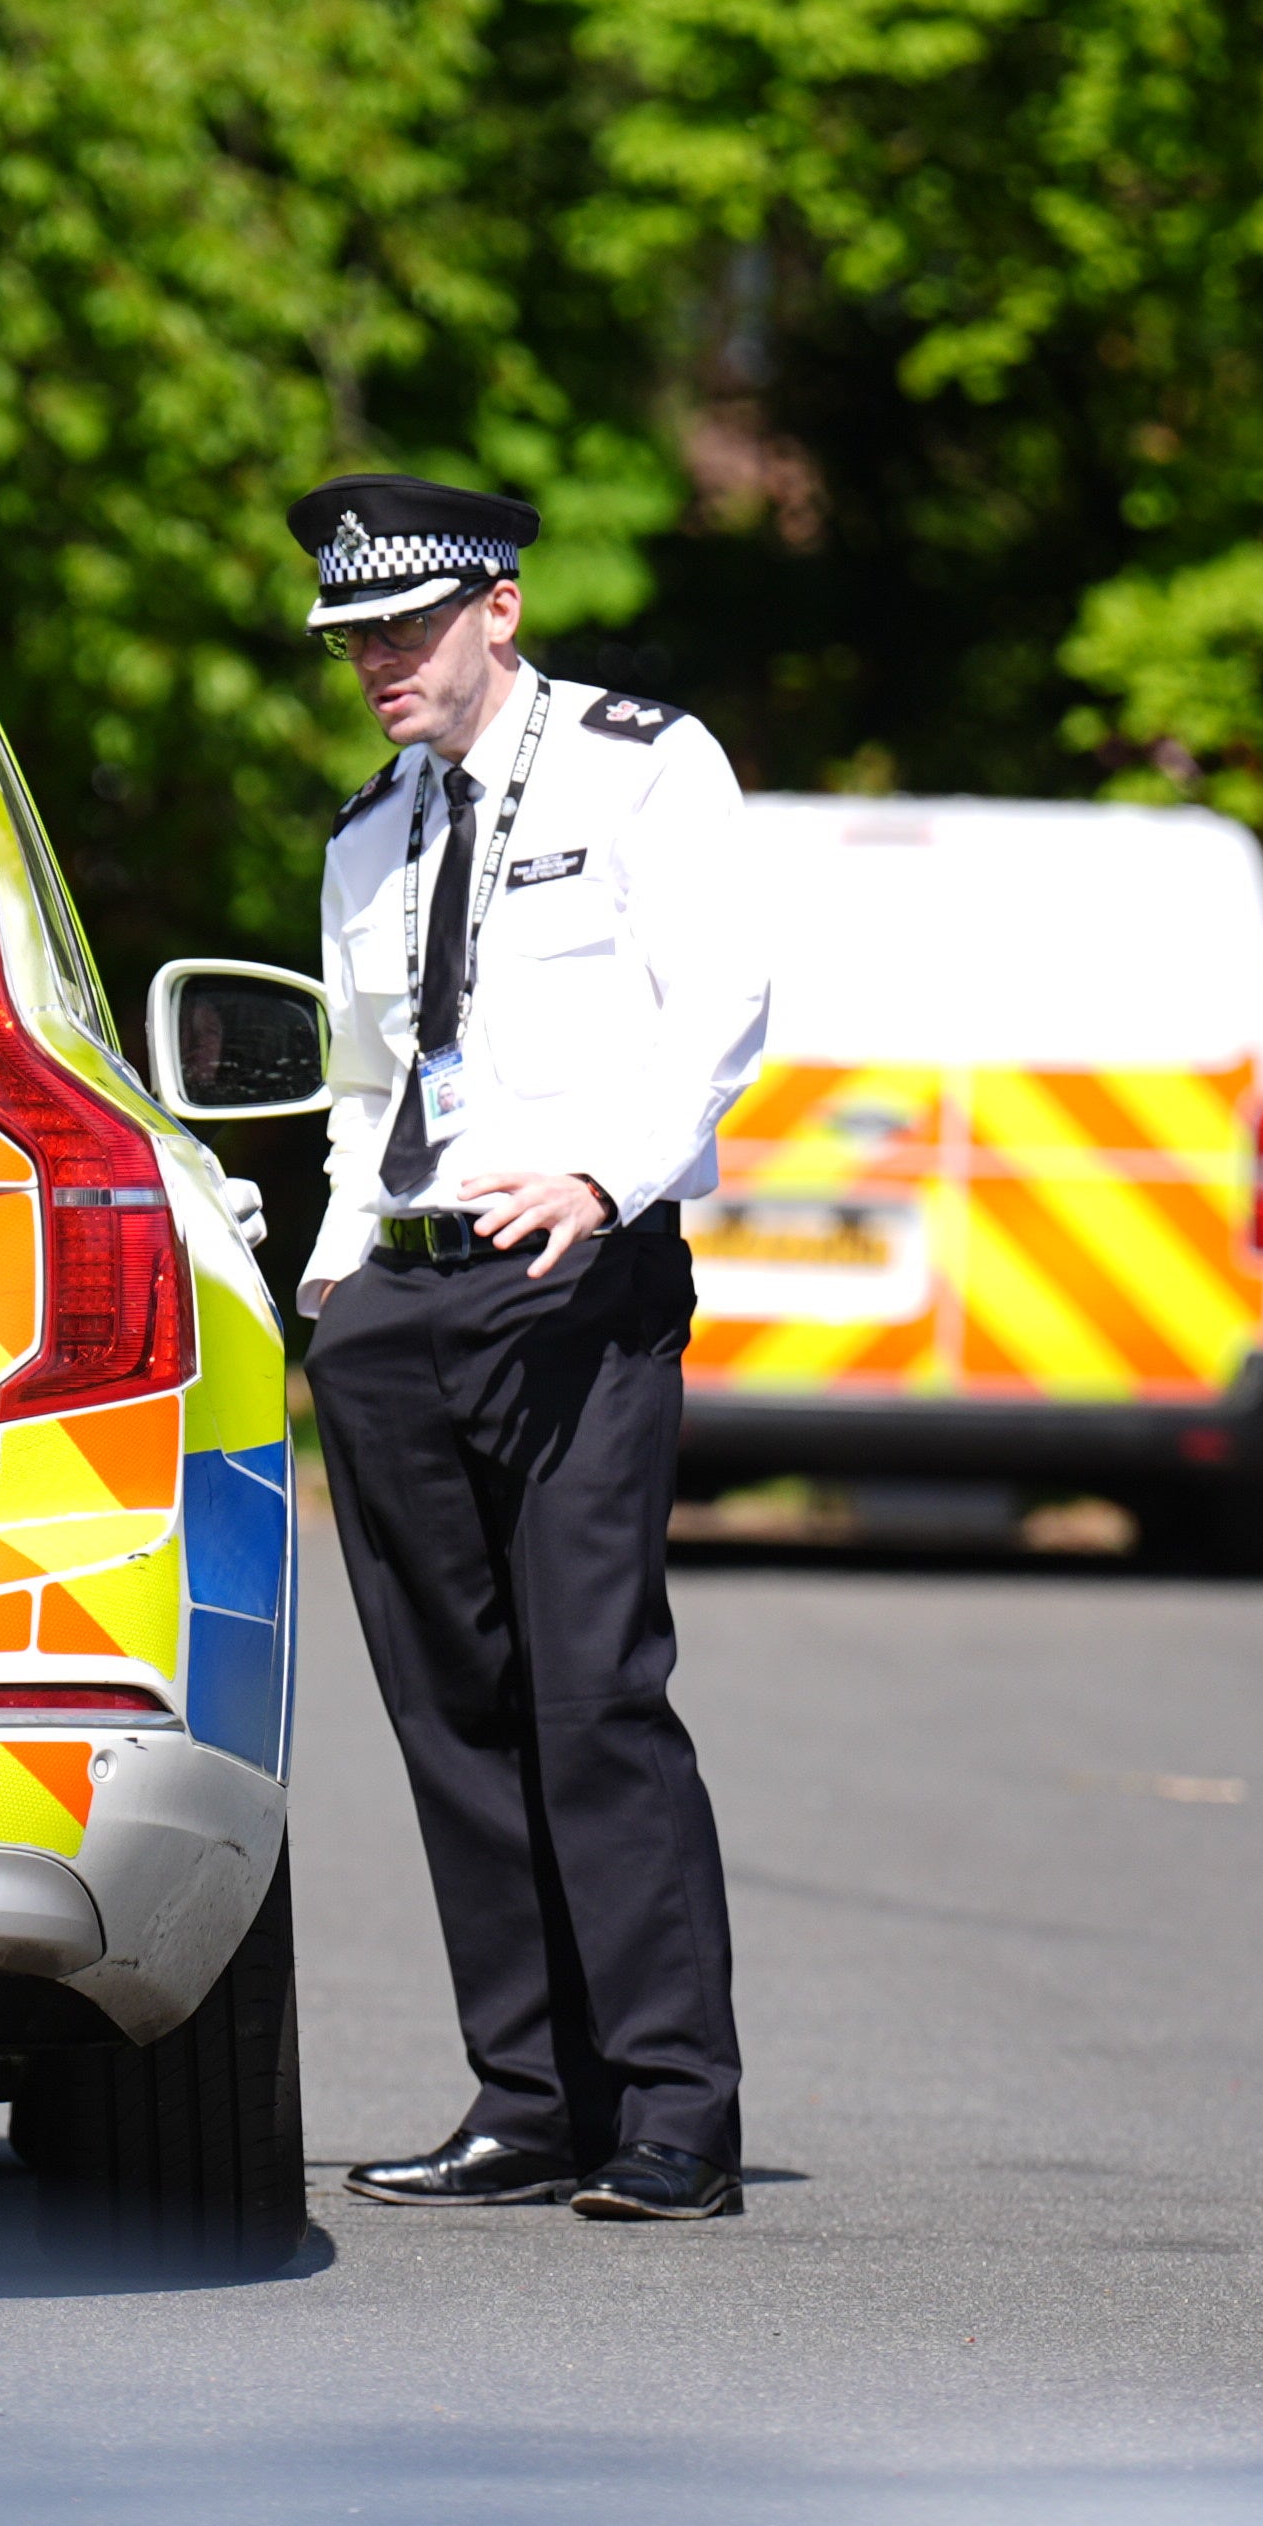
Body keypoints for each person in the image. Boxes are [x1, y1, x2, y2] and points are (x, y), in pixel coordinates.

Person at [285, 477, 771, 2224]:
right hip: (402, 1296)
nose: (374, 666)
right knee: (451, 1717)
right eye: (351, 641)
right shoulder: (366, 830)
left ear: (496, 607)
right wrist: (336, 1283)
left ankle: (666, 2108)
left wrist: (599, 1173)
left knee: (590, 1697)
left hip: (573, 1273)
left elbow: (720, 998)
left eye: (402, 630)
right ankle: (527, 2096)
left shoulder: (643, 765)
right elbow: (361, 1086)